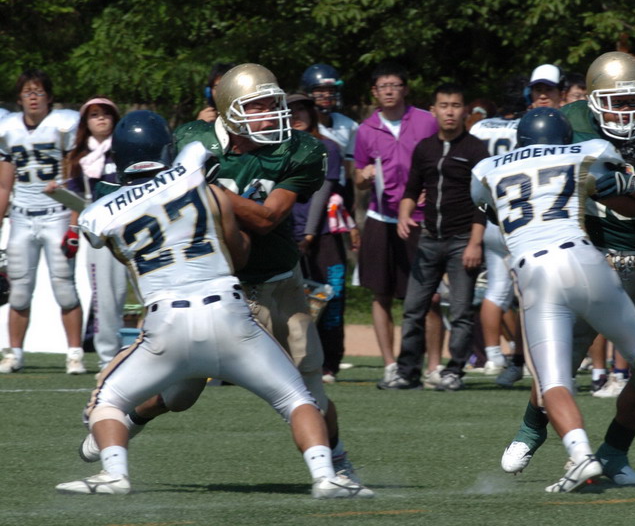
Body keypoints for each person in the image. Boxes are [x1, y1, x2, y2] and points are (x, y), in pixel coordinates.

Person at [55, 111, 371, 498]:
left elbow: (122, 250)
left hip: (167, 323)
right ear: (167, 148)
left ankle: (114, 474)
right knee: (296, 398)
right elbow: (239, 254)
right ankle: (326, 476)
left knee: (107, 401)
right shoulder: (196, 173)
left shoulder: (101, 212)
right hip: (229, 312)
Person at [473, 107, 635, 493]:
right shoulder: (586, 150)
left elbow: (492, 209)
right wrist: (624, 184)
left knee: (554, 377)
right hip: (588, 258)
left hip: (538, 271)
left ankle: (585, 456)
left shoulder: (486, 169)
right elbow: (633, 205)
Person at [501, 51, 635, 485]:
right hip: (590, 255)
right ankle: (531, 429)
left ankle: (614, 453)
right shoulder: (569, 121)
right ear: (591, 101)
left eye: (632, 101)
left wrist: (631, 184)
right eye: (615, 102)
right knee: (559, 359)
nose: (625, 112)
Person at [378, 84, 487, 391]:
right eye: (444, 105)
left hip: (462, 240)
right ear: (434, 110)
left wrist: (475, 243)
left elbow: (484, 202)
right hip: (428, 239)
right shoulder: (424, 148)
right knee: (413, 309)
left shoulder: (476, 150)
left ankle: (454, 371)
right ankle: (407, 372)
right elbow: (412, 189)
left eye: (455, 105)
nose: (450, 112)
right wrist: (404, 215)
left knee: (461, 312)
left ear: (464, 111)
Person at [353, 63, 439, 386]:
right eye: (382, 86)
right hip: (381, 219)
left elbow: (440, 160)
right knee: (382, 294)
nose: (389, 91)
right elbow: (358, 177)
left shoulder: (426, 121)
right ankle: (390, 364)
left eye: (394, 85)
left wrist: (432, 188)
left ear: (405, 89)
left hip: (421, 219)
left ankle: (434, 366)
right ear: (374, 92)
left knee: (431, 297)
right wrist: (363, 176)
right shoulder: (366, 129)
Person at [0, 69, 84, 375]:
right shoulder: (8, 129)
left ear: (49, 97)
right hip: (21, 217)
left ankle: (74, 354)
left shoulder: (63, 125)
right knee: (19, 290)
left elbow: (74, 179)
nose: (33, 97)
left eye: (39, 92)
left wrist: (74, 222)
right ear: (20, 98)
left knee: (65, 288)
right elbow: (3, 185)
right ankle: (14, 354)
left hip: (57, 214)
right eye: (28, 92)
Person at [47, 97, 129, 370]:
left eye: (106, 113)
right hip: (99, 235)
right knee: (105, 297)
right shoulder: (80, 158)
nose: (101, 119)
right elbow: (79, 200)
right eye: (94, 115)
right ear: (85, 123)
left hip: (130, 228)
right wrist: (71, 228)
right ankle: (109, 359)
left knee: (138, 293)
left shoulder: (125, 150)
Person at [287, 93, 358, 382]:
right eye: (290, 111)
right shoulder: (276, 148)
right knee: (290, 302)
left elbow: (322, 193)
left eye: (302, 110)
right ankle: (295, 359)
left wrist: (309, 233)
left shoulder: (328, 147)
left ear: (312, 114)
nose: (296, 116)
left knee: (331, 298)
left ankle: (329, 363)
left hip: (322, 236)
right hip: (284, 234)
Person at [467, 83, 528, 386]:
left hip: (489, 216)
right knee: (526, 293)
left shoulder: (480, 127)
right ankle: (522, 355)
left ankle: (492, 355)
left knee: (496, 290)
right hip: (519, 216)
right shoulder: (528, 126)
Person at [299, 63, 358, 187]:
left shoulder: (349, 125)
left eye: (331, 90)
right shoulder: (300, 125)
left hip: (337, 188)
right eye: (320, 90)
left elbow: (348, 171)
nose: (326, 95)